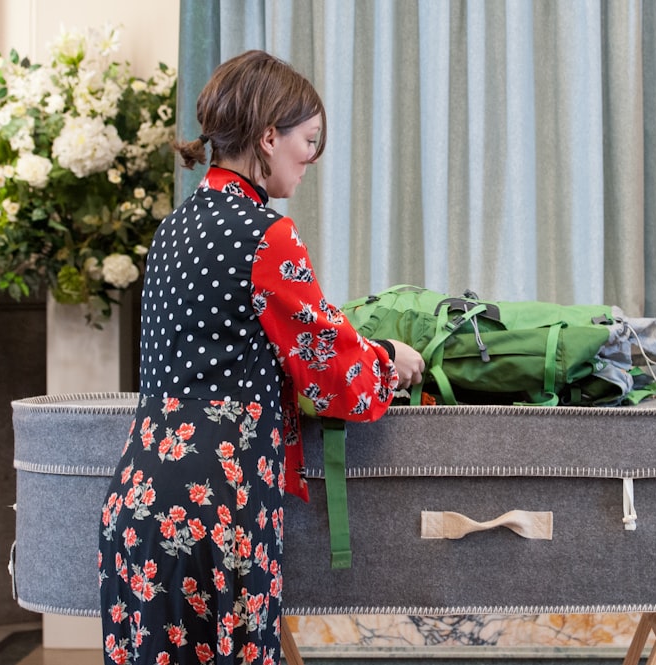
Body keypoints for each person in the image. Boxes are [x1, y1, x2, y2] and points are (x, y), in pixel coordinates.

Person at [97, 49, 424, 665]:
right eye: (309, 139)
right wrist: (389, 358)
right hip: (216, 509)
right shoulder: (266, 233)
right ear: (268, 136)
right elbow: (333, 371)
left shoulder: (171, 231)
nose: (313, 158)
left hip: (137, 502)